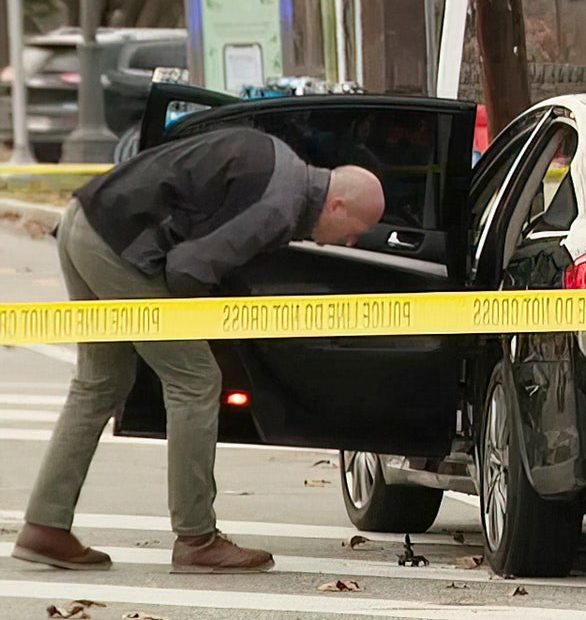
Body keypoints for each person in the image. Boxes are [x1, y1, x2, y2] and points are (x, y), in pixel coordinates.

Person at [11, 127, 385, 573]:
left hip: (83, 220)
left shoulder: (277, 159)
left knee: (100, 381)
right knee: (195, 379)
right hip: (120, 249)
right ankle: (196, 538)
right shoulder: (278, 205)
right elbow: (186, 271)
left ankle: (45, 527)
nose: (348, 243)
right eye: (353, 231)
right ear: (337, 205)